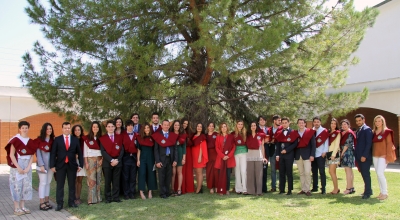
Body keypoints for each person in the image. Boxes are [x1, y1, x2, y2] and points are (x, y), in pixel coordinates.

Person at [5, 121, 37, 216]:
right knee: (16, 186)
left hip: (27, 165)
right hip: (17, 164)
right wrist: (18, 167)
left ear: (28, 128)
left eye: (26, 127)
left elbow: (32, 155)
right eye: (22, 128)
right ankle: (16, 207)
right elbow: (11, 154)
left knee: (26, 186)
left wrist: (28, 167)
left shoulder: (30, 141)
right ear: (19, 129)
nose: (24, 129)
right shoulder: (15, 140)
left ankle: (23, 206)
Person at [50, 122, 83, 211]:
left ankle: (71, 202)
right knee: (60, 185)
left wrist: (81, 165)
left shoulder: (75, 140)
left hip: (72, 165)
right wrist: (52, 165)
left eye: (68, 128)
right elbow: (53, 153)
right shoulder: (57, 139)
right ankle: (59, 204)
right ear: (62, 129)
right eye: (65, 128)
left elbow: (79, 153)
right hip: (60, 165)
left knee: (72, 185)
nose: (67, 129)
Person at [372, 115, 396, 200]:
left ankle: (385, 193)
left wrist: (388, 156)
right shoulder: (373, 132)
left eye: (379, 121)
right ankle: (381, 192)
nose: (377, 123)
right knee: (378, 174)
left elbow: (389, 144)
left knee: (380, 173)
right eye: (376, 121)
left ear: (383, 122)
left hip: (383, 155)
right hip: (375, 155)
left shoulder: (387, 132)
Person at [99, 120, 124, 203]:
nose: (110, 128)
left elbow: (122, 150)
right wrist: (111, 160)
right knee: (107, 181)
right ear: (106, 128)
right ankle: (108, 198)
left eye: (112, 126)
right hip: (107, 163)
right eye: (109, 126)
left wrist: (117, 160)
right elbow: (103, 151)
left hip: (117, 162)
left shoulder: (119, 137)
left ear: (114, 127)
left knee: (116, 181)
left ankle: (116, 197)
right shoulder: (103, 139)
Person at [152, 119, 178, 198]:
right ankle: (162, 193)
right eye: (165, 125)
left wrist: (175, 160)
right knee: (161, 176)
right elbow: (156, 150)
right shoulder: (158, 135)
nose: (166, 126)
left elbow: (175, 149)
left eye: (168, 125)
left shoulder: (172, 135)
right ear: (162, 126)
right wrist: (157, 161)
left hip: (170, 158)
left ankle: (167, 191)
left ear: (169, 126)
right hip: (161, 159)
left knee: (168, 176)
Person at [275, 117, 299, 195]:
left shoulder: (293, 132)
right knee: (281, 172)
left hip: (289, 155)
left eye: (286, 122)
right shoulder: (279, 133)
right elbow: (278, 145)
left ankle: (289, 190)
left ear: (289, 123)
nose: (284, 124)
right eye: (283, 123)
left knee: (289, 173)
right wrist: (277, 155)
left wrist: (287, 150)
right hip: (281, 155)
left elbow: (295, 144)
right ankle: (282, 189)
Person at [35, 123, 55, 211]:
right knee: (42, 183)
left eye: (50, 129)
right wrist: (41, 165)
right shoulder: (39, 140)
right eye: (47, 129)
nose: (49, 130)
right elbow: (38, 154)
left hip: (51, 166)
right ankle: (41, 202)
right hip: (42, 166)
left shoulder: (53, 140)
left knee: (48, 183)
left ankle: (47, 201)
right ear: (44, 130)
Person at [82, 121, 103, 205]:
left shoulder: (101, 138)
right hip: (90, 160)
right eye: (94, 127)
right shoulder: (87, 138)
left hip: (100, 159)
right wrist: (86, 162)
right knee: (91, 180)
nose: (95, 128)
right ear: (91, 128)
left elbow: (104, 151)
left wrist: (102, 159)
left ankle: (98, 198)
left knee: (98, 179)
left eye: (97, 127)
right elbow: (85, 152)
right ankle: (91, 199)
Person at [354, 114, 373, 199]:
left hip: (365, 157)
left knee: (366, 174)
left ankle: (367, 192)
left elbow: (369, 143)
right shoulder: (359, 130)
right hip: (359, 156)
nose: (358, 122)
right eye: (357, 121)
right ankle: (368, 190)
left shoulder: (367, 129)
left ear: (363, 120)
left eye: (359, 120)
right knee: (363, 174)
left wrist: (364, 155)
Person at [295, 119, 316, 196]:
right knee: (301, 173)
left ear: (305, 124)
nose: (301, 124)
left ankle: (307, 189)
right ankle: (303, 189)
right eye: (299, 123)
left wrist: (312, 155)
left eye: (302, 123)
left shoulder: (309, 132)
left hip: (307, 155)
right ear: (297, 124)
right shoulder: (295, 133)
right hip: (298, 155)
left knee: (307, 172)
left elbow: (313, 145)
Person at [136, 123, 157, 199]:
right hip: (142, 158)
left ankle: (150, 191)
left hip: (151, 158)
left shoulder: (153, 138)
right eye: (145, 128)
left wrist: (155, 160)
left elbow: (155, 150)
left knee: (151, 174)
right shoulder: (139, 138)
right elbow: (139, 150)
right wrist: (138, 160)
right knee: (142, 173)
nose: (147, 129)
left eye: (148, 128)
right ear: (143, 129)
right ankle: (141, 192)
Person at [246, 122, 268, 195]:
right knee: (250, 173)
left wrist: (264, 157)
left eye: (254, 125)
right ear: (250, 127)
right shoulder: (247, 135)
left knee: (259, 174)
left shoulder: (261, 135)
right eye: (252, 125)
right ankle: (250, 191)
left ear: (256, 126)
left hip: (258, 155)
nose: (253, 127)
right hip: (249, 155)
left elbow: (262, 146)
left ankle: (259, 191)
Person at [215, 123, 236, 195]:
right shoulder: (218, 137)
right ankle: (221, 190)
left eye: (225, 126)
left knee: (227, 175)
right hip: (221, 158)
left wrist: (228, 155)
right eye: (222, 127)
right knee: (221, 174)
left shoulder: (230, 136)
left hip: (228, 158)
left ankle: (227, 189)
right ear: (220, 129)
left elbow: (233, 147)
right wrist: (222, 156)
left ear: (227, 128)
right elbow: (217, 147)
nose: (224, 128)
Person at [311, 116, 329, 194]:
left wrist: (324, 152)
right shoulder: (311, 130)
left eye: (318, 122)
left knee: (322, 172)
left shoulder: (324, 131)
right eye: (315, 122)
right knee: (314, 171)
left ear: (320, 122)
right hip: (313, 154)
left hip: (320, 154)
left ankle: (323, 188)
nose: (316, 123)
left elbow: (326, 142)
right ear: (313, 123)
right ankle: (315, 187)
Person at [121, 120, 138, 200]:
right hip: (126, 157)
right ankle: (126, 193)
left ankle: (132, 192)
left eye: (132, 125)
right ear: (126, 126)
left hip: (134, 157)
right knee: (126, 176)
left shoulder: (136, 135)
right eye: (129, 125)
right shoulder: (122, 135)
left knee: (133, 176)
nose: (130, 127)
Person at [340, 119, 356, 195]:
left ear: (348, 125)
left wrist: (342, 153)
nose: (343, 126)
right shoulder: (345, 133)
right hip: (347, 153)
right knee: (349, 171)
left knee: (348, 171)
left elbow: (347, 144)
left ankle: (348, 188)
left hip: (347, 153)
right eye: (342, 125)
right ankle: (352, 187)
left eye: (345, 124)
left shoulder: (349, 133)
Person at [266, 115, 282, 192]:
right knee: (273, 170)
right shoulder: (269, 129)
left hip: (281, 151)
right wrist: (270, 141)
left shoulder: (282, 128)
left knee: (281, 169)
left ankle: (281, 186)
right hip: (272, 151)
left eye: (280, 120)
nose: (280, 121)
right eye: (278, 120)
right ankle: (273, 187)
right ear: (274, 121)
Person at [171, 120, 186, 196]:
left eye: (178, 125)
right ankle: (172, 189)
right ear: (173, 126)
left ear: (180, 126)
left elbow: (184, 147)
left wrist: (184, 158)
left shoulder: (182, 135)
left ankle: (179, 189)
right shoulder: (170, 134)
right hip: (172, 155)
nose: (176, 126)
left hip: (180, 154)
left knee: (179, 172)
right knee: (173, 173)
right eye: (175, 125)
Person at [192, 123, 208, 194]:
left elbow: (202, 147)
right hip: (193, 155)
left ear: (202, 128)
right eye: (197, 126)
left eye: (200, 127)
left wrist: (200, 156)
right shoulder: (193, 136)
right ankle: (199, 186)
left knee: (199, 172)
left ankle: (199, 188)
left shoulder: (202, 136)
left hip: (199, 156)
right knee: (196, 172)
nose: (199, 127)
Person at [233, 120, 248, 194]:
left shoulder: (245, 133)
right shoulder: (233, 134)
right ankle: (238, 189)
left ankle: (245, 189)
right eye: (239, 124)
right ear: (236, 125)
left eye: (241, 124)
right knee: (237, 170)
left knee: (243, 171)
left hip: (244, 153)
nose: (240, 125)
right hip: (235, 153)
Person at [327, 118, 341, 194]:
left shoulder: (337, 133)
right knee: (332, 172)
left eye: (334, 124)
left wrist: (333, 155)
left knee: (331, 171)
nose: (333, 125)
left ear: (336, 125)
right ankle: (336, 188)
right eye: (332, 123)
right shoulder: (329, 132)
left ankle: (336, 189)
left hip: (334, 154)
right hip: (328, 153)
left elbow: (336, 145)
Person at [72, 124, 85, 205]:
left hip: (81, 161)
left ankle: (78, 197)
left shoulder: (83, 140)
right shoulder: (71, 139)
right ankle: (73, 197)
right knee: (73, 180)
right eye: (75, 130)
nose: (77, 131)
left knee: (79, 180)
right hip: (73, 161)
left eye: (79, 130)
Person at [181, 118, 195, 194]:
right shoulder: (177, 131)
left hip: (188, 151)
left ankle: (189, 188)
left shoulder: (190, 132)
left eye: (186, 124)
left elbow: (193, 143)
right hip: (180, 151)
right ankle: (181, 187)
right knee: (181, 169)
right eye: (184, 123)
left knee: (188, 169)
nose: (185, 125)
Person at [257, 116, 269, 193]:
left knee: (265, 170)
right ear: (258, 121)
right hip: (258, 150)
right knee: (258, 170)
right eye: (260, 120)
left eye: (264, 120)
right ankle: (258, 187)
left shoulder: (268, 129)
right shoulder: (256, 129)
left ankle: (264, 188)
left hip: (267, 150)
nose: (262, 121)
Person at [206, 122, 219, 194]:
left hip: (215, 153)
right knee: (209, 171)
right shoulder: (205, 135)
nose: (211, 127)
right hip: (208, 154)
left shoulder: (216, 134)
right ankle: (210, 187)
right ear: (208, 127)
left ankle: (216, 186)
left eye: (212, 126)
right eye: (210, 126)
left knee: (216, 171)